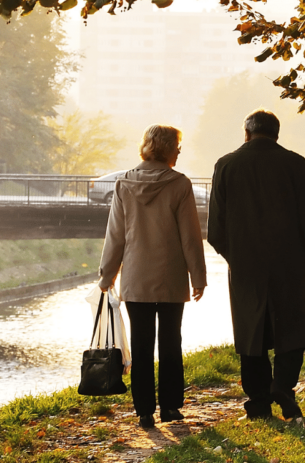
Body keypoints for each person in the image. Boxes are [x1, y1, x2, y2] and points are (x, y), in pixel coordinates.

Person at [207, 109, 305, 421]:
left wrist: (235, 257)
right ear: (276, 134)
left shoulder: (226, 165)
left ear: (246, 133)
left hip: (246, 266)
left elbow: (215, 231)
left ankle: (258, 402)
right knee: (293, 327)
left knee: (251, 332)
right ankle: (283, 386)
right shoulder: (296, 164)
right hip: (289, 263)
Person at [98, 125, 207, 429]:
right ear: (169, 148)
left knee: (141, 344)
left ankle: (144, 410)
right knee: (171, 341)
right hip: (171, 275)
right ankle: (170, 407)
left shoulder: (124, 184)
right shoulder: (179, 185)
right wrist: (198, 275)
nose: (180, 151)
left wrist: (107, 275)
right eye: (178, 146)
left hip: (136, 277)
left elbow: (115, 236)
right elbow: (190, 237)